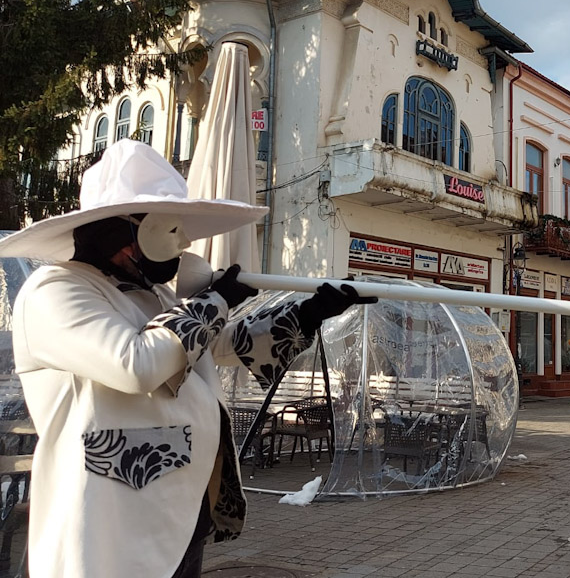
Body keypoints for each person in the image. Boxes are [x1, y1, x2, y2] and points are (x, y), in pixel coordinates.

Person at [0, 140, 376, 578]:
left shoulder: (154, 295)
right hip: (109, 516)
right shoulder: (55, 291)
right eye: (169, 227)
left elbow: (224, 344)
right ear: (120, 235)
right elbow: (135, 364)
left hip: (179, 509)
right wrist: (216, 300)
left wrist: (309, 312)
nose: (182, 243)